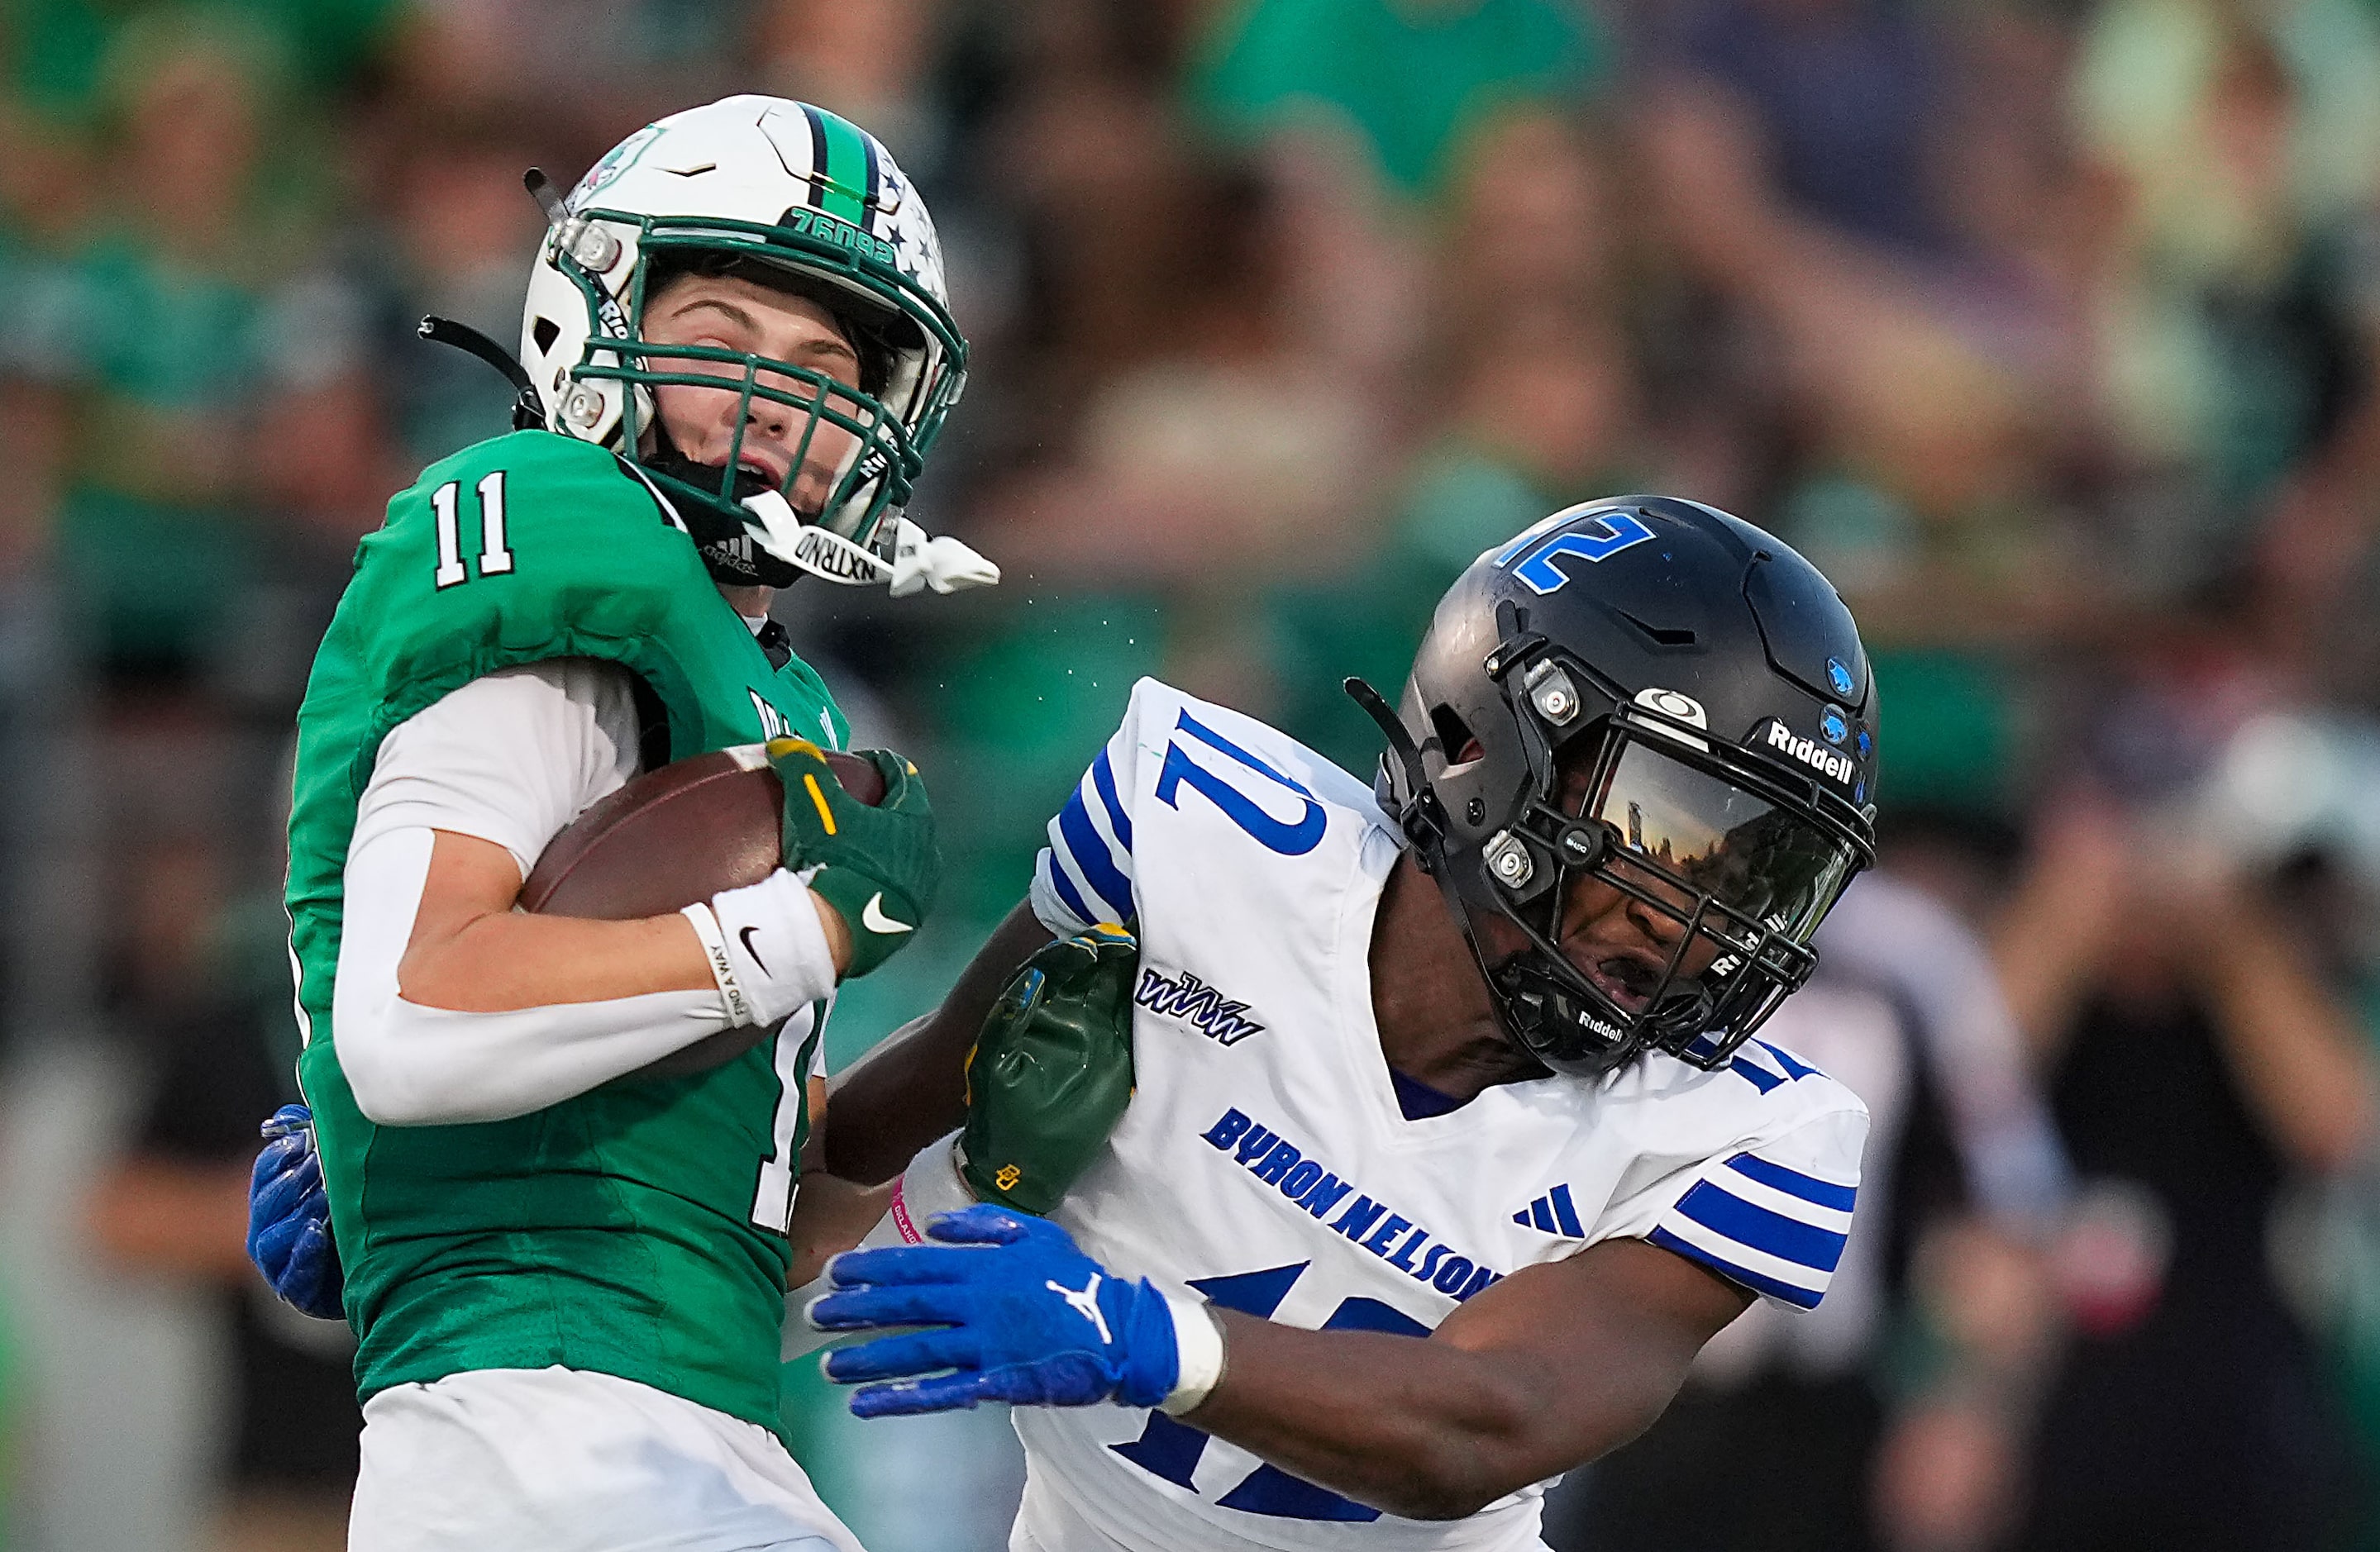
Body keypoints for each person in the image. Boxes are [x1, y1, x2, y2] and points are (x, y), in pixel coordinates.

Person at [813, 495, 1882, 1550]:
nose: (1694, 921)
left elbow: (1482, 1423)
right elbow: (863, 1143)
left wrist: (1141, 1333)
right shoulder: (1196, 844)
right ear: (1488, 741)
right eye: (1678, 836)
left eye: (1762, 876)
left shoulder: (1740, 1132)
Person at [247, 94, 992, 1551]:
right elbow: (410, 1022)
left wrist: (973, 1132)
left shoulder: (781, 706)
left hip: (668, 1436)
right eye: (720, 334)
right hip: (544, 1450)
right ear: (595, 320)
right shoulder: (566, 558)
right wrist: (798, 926)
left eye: (828, 363)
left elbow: (732, 1248)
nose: (776, 395)